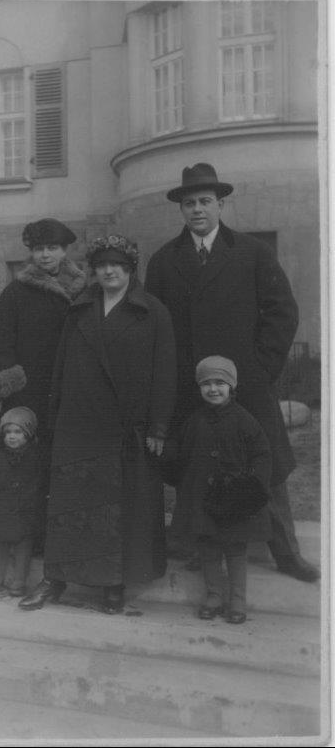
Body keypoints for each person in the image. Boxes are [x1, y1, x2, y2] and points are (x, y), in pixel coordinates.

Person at [145, 163, 319, 582]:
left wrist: (259, 370)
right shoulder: (164, 261)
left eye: (206, 201)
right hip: (190, 388)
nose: (198, 210)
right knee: (195, 465)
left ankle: (286, 552)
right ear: (181, 210)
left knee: (268, 465)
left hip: (247, 386)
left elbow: (282, 313)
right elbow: (154, 326)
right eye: (190, 203)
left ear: (221, 204)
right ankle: (195, 544)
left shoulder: (252, 253)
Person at [19, 233, 177, 614]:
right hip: (78, 424)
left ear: (130, 269)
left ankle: (112, 585)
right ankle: (54, 580)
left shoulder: (152, 311)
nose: (109, 271)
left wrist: (158, 427)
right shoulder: (80, 308)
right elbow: (60, 367)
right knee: (69, 507)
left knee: (118, 511)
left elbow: (165, 372)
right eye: (102, 265)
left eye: (117, 265)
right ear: (94, 270)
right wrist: (56, 418)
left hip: (127, 428)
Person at [0, 219, 86, 542]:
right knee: (24, 464)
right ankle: (19, 535)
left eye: (52, 248)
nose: (45, 255)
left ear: (65, 251)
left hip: (70, 391)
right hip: (28, 393)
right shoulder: (16, 291)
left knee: (65, 463)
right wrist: (14, 379)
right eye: (39, 249)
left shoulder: (83, 289)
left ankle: (60, 536)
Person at [175, 356, 272, 624]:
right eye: (206, 384)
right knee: (208, 548)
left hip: (234, 500)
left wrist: (252, 483)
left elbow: (262, 454)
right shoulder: (194, 421)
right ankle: (214, 596)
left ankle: (237, 601)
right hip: (204, 500)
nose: (213, 389)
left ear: (232, 386)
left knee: (235, 550)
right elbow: (183, 455)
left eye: (220, 382)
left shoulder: (245, 420)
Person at [0, 407, 41, 598]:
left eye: (18, 432)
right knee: (1, 543)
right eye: (8, 433)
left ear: (28, 434)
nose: (12, 437)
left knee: (23, 545)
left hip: (24, 511)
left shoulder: (35, 459)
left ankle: (19, 580)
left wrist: (30, 504)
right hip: (2, 511)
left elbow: (39, 484)